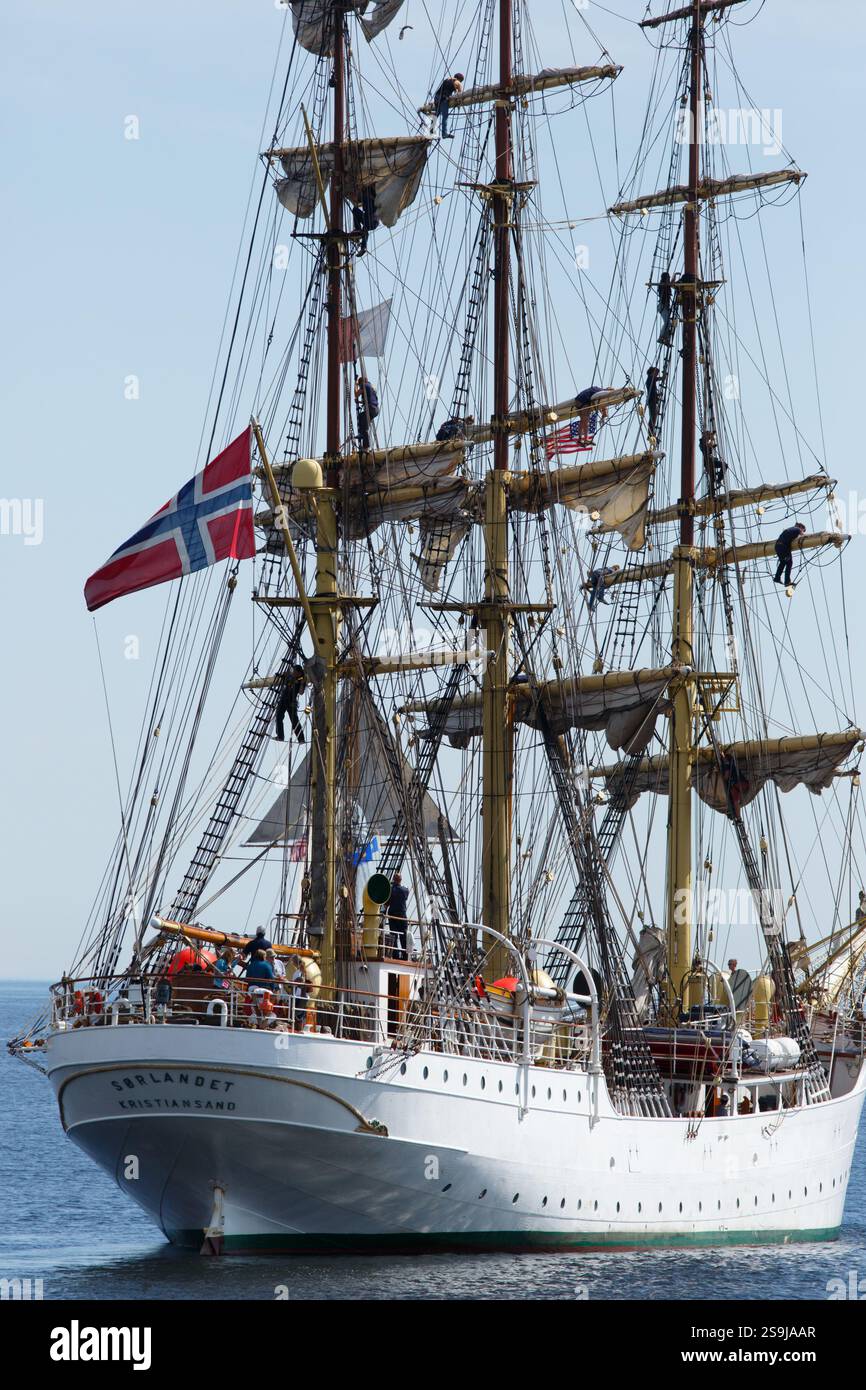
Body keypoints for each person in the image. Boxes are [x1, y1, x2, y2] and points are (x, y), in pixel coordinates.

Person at [275, 664, 306, 743]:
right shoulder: (290, 676)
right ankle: (280, 736)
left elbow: (301, 692)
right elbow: (284, 676)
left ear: (299, 673)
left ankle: (301, 739)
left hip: (291, 701)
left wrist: (302, 683)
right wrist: (284, 674)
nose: (293, 673)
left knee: (294, 720)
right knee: (278, 716)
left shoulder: (301, 679)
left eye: (295, 671)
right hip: (283, 699)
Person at [773, 521, 806, 586]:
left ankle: (777, 578)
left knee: (783, 563)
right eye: (803, 530)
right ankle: (787, 581)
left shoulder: (789, 529)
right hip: (784, 547)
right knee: (789, 563)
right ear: (801, 527)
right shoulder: (798, 529)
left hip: (777, 547)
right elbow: (803, 536)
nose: (803, 531)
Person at [433, 72, 464, 139]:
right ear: (460, 79)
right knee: (445, 116)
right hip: (443, 99)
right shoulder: (458, 83)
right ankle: (444, 134)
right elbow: (459, 95)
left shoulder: (447, 79)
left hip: (436, 97)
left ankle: (431, 129)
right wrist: (458, 104)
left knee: (436, 114)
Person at [351, 186, 379, 256]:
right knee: (355, 210)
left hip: (372, 220)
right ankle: (358, 232)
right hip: (370, 219)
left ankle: (363, 245)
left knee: (364, 227)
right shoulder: (366, 196)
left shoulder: (370, 196)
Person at [388, 872, 410, 960]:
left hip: (393, 916)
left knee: (393, 935)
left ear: (393, 879)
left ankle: (395, 955)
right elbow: (405, 895)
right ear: (400, 880)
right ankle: (405, 956)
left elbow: (387, 902)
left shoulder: (391, 890)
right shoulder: (405, 890)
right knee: (403, 936)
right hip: (402, 916)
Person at [355, 376, 380, 451]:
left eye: (359, 385)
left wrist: (355, 384)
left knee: (363, 424)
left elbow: (356, 394)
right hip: (375, 410)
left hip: (371, 409)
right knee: (361, 418)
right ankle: (362, 436)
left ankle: (366, 447)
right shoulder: (371, 387)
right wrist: (359, 402)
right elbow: (368, 400)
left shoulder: (364, 385)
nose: (359, 387)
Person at [657, 270, 673, 344]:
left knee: (671, 323)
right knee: (667, 322)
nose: (669, 279)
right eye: (668, 278)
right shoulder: (662, 285)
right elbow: (668, 284)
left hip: (665, 307)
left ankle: (666, 338)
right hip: (662, 306)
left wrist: (675, 275)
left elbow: (670, 284)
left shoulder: (666, 285)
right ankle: (661, 337)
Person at [645, 366, 661, 435]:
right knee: (653, 416)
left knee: (654, 416)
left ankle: (651, 432)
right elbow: (655, 379)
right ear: (652, 372)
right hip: (652, 400)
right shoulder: (650, 379)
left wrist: (658, 395)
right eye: (656, 373)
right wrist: (662, 378)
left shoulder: (651, 379)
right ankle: (650, 432)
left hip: (653, 400)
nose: (657, 374)